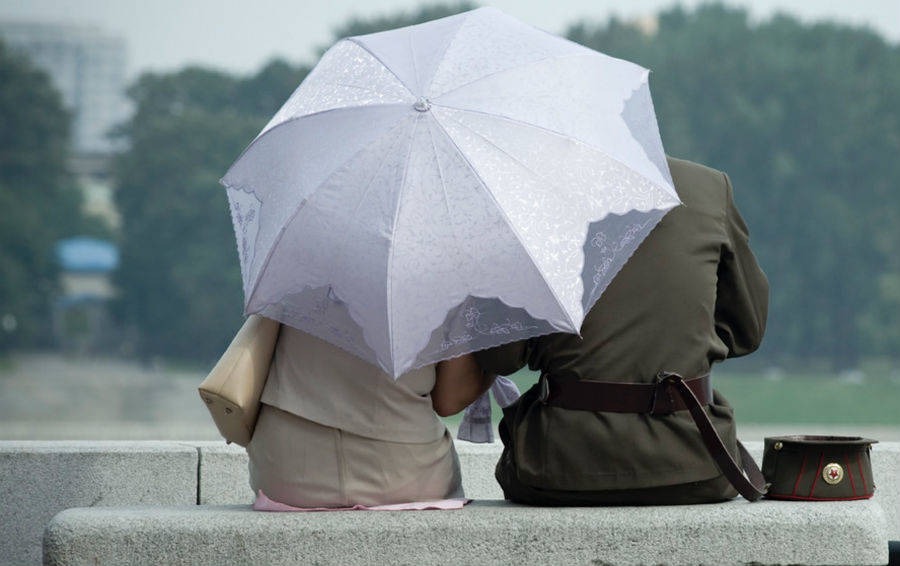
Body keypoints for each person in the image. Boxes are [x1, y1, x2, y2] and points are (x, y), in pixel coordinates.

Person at [474, 156, 769, 505]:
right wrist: (685, 338)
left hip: (558, 469)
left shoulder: (532, 193)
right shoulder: (709, 187)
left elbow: (501, 356)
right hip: (697, 463)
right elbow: (746, 329)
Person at [246, 325, 491, 508]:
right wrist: (494, 367)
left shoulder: (295, 267)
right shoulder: (442, 274)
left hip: (285, 471)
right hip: (405, 475)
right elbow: (450, 399)